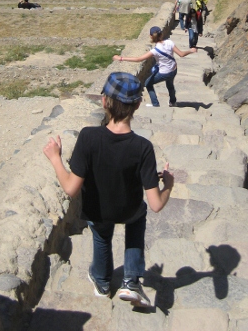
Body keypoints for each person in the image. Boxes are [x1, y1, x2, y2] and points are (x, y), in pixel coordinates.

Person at [43, 71, 174, 305]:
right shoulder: (143, 147)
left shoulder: (88, 137)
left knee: (102, 238)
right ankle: (132, 281)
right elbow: (155, 204)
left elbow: (71, 189)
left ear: (104, 101)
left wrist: (55, 158)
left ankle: (103, 283)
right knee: (138, 219)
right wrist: (169, 186)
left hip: (98, 210)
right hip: (129, 209)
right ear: (137, 105)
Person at [113, 26, 197, 108]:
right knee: (170, 84)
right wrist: (190, 50)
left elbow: (139, 59)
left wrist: (121, 58)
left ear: (151, 36)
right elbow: (181, 54)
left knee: (148, 83)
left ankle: (155, 103)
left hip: (164, 72)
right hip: (174, 69)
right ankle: (173, 102)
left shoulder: (155, 51)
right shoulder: (169, 42)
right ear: (161, 34)